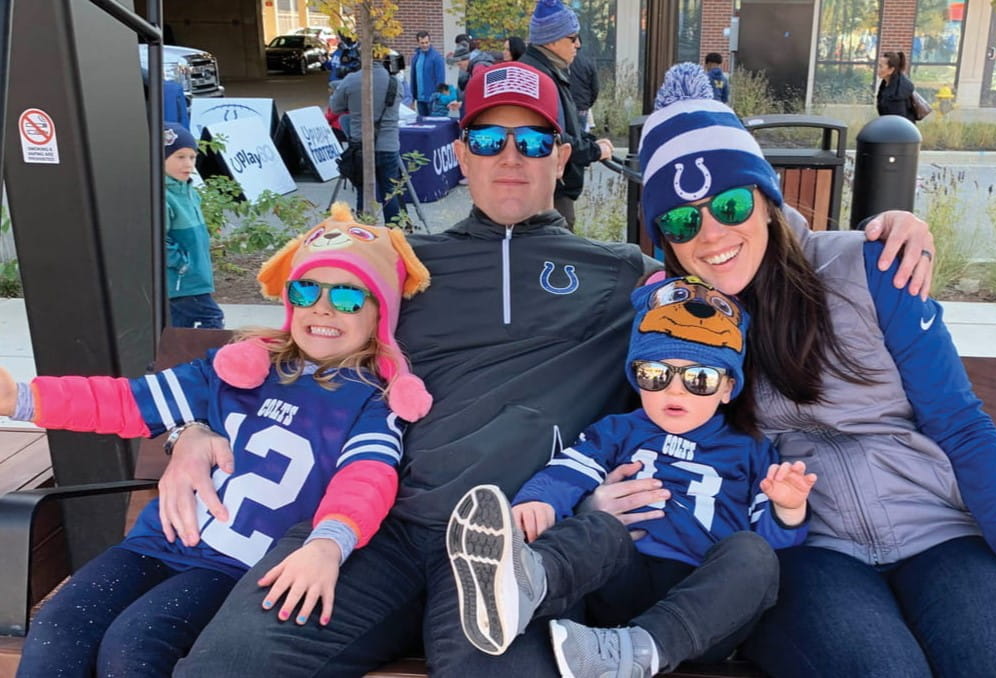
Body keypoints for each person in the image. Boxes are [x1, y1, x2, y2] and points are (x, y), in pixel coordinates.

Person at [167, 65, 936, 677]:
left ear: (562, 156)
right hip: (386, 529)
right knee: (231, 660)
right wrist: (193, 426)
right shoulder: (398, 264)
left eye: (534, 143)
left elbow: (731, 262)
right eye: (490, 139)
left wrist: (876, 231)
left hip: (524, 552)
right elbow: (300, 340)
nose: (511, 158)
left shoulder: (617, 274)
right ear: (458, 150)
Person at [595, 93, 996, 677]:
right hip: (805, 546)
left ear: (766, 201)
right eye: (684, 219)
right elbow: (649, 427)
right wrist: (596, 502)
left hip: (937, 530)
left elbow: (962, 425)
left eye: (731, 202)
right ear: (665, 238)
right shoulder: (675, 320)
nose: (712, 233)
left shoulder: (869, 270)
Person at [2, 204, 433, 678]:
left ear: (380, 313)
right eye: (307, 289)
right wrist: (22, 399)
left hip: (237, 566)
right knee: (60, 627)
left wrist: (327, 542)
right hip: (155, 542)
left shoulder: (374, 399)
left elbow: (366, 479)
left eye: (349, 297)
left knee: (136, 641)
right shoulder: (236, 369)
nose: (323, 308)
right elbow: (127, 402)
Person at [447, 275, 817, 677]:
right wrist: (538, 501)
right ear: (636, 376)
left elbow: (773, 539)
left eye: (699, 379)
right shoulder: (619, 431)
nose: (675, 392)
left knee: (754, 554)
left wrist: (788, 507)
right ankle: (526, 585)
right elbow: (570, 469)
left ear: (727, 388)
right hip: (623, 580)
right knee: (600, 526)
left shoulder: (751, 451)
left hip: (702, 610)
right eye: (657, 375)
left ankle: (638, 651)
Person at [520, 0, 614, 230]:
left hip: (550, 190)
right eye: (572, 38)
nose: (578, 45)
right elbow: (555, 139)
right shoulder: (540, 79)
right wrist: (594, 151)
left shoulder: (545, 70)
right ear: (552, 40)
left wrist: (589, 142)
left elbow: (564, 130)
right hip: (548, 195)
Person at [329, 56, 405, 224]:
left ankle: (365, 232)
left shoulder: (351, 80)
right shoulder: (395, 82)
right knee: (390, 192)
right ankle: (394, 233)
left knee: (363, 192)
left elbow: (335, 108)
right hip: (389, 145)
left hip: (360, 146)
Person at [163, 122, 224, 329]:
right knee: (211, 320)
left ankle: (179, 361)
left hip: (193, 279)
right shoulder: (164, 197)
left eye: (192, 157)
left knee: (181, 330)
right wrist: (181, 263)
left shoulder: (189, 192)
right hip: (182, 283)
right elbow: (155, 239)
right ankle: (209, 361)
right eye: (179, 157)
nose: (188, 164)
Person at [410, 31, 445, 116]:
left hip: (432, 100)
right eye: (422, 43)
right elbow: (413, 79)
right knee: (423, 124)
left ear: (430, 41)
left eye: (427, 42)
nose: (425, 45)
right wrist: (412, 98)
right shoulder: (416, 58)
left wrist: (438, 98)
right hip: (420, 99)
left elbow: (440, 79)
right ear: (418, 43)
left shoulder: (436, 57)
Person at [569, 35, 599, 133]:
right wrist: (587, 104)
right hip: (582, 105)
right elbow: (595, 88)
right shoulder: (588, 62)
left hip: (567, 104)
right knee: (581, 135)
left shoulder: (562, 62)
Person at [877, 51, 917, 122]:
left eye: (881, 66)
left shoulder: (897, 93)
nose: (878, 70)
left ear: (891, 70)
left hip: (901, 130)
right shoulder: (885, 84)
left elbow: (899, 121)